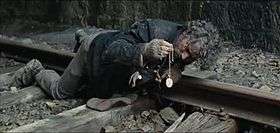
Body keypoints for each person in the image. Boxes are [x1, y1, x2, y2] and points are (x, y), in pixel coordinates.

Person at [6, 19, 206, 99]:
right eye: (186, 49)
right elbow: (113, 50)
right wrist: (145, 50)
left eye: (191, 58)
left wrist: (177, 69)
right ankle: (37, 70)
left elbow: (170, 65)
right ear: (186, 33)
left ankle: (82, 35)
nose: (185, 55)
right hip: (95, 51)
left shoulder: (182, 46)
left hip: (110, 42)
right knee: (61, 92)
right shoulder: (154, 29)